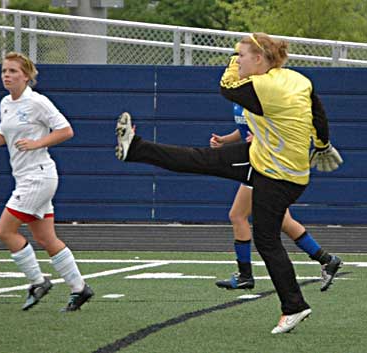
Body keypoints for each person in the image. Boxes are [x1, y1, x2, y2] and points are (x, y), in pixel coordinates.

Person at [114, 32, 343, 334]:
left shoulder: (265, 85)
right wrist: (323, 144)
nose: (237, 59)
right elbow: (318, 111)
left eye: (242, 54)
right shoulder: (295, 78)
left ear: (259, 59)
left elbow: (227, 87)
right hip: (262, 157)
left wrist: (232, 67)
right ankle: (136, 148)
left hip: (278, 177)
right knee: (199, 158)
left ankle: (295, 306)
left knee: (267, 239)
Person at [0, 52, 93, 312]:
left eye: (12, 71)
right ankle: (80, 289)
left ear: (26, 75)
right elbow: (3, 134)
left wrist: (37, 143)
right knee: (46, 238)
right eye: (4, 71)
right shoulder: (5, 103)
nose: (6, 76)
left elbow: (66, 130)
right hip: (27, 178)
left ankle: (37, 281)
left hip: (38, 177)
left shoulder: (37, 102)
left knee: (4, 231)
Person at [210, 103, 342, 292]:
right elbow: (245, 128)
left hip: (264, 163)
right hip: (260, 162)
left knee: (238, 215)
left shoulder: (260, 93)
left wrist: (261, 138)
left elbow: (279, 126)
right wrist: (224, 140)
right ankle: (327, 260)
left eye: (238, 70)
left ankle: (245, 275)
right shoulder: (239, 95)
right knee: (283, 220)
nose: (236, 72)